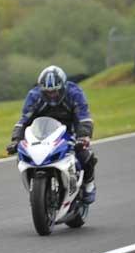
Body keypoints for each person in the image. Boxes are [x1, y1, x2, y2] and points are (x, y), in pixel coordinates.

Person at [6, 65, 97, 204]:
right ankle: (34, 187)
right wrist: (15, 140)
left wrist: (83, 136)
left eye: (55, 91)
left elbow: (84, 117)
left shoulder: (75, 93)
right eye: (48, 92)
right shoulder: (34, 96)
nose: (52, 95)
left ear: (63, 87)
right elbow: (24, 120)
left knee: (85, 154)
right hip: (43, 132)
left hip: (70, 130)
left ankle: (89, 184)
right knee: (22, 155)